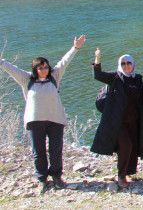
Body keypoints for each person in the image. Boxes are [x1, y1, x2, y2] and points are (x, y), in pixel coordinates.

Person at [0, 35, 85, 194]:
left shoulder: (54, 76)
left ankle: (57, 177)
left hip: (55, 120)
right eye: (40, 68)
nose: (44, 70)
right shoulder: (26, 79)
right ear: (35, 69)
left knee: (56, 150)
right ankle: (42, 180)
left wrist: (75, 47)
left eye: (46, 66)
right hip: (34, 122)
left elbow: (64, 62)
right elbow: (10, 68)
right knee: (38, 152)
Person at [90, 49, 143, 189]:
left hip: (134, 120)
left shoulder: (137, 78)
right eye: (123, 63)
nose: (126, 65)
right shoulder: (115, 77)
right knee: (126, 145)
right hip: (118, 121)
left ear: (133, 64)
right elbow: (98, 75)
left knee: (133, 146)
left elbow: (141, 100)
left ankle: (129, 171)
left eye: (129, 63)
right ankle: (121, 176)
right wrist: (97, 59)